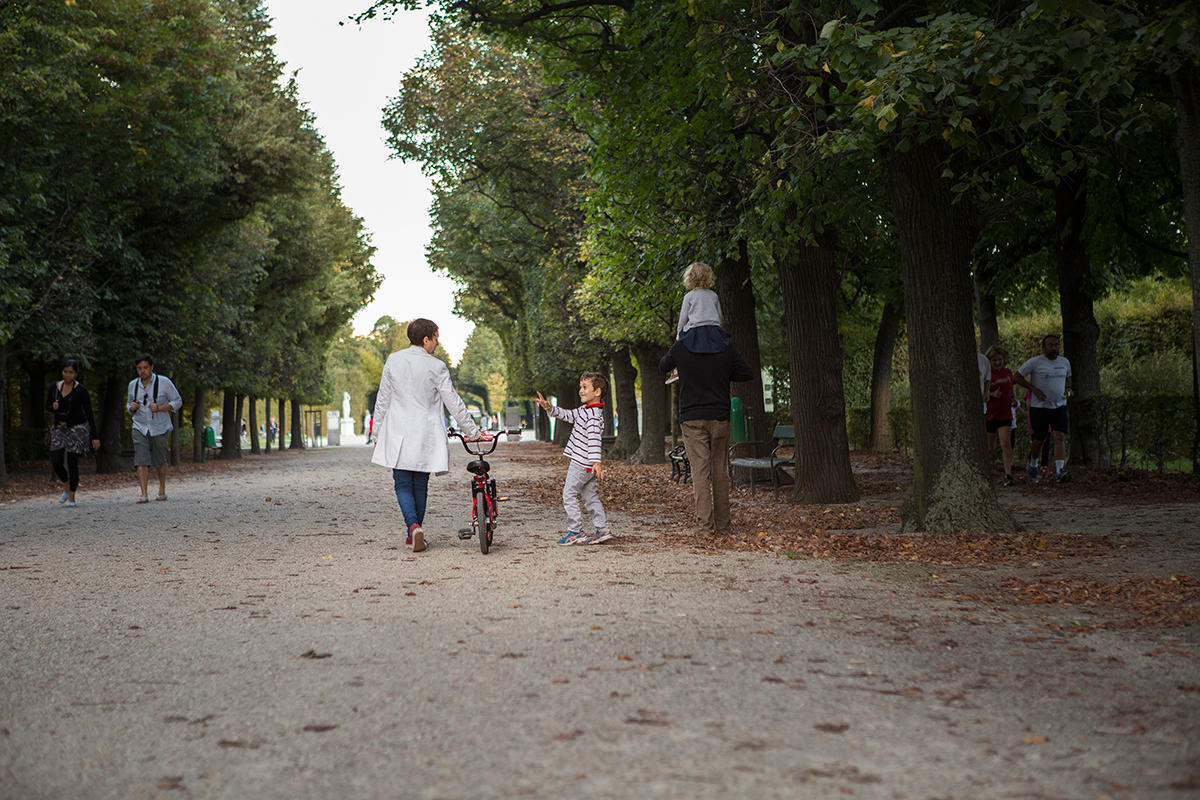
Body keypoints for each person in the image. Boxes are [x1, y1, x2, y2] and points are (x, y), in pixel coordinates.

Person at [370, 318, 490, 553]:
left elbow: (383, 398)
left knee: (402, 483)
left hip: (398, 430)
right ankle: (416, 530)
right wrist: (472, 431)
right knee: (420, 485)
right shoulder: (437, 367)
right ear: (426, 339)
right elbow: (453, 402)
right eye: (436, 337)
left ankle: (413, 528)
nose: (437, 343)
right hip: (424, 432)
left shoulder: (393, 361)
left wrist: (376, 431)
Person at [659, 339, 754, 536]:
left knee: (699, 471)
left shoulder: (681, 346)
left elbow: (663, 365)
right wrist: (722, 373)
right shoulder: (724, 344)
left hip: (692, 416)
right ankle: (724, 525)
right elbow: (746, 372)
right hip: (719, 415)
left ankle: (705, 527)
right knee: (719, 470)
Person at [534, 373, 611, 546]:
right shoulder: (587, 410)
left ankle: (576, 531)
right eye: (580, 387)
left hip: (582, 463)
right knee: (590, 497)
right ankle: (602, 529)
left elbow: (594, 439)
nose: (580, 391)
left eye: (585, 387)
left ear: (597, 391)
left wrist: (596, 462)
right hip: (587, 464)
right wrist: (549, 407)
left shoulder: (592, 415)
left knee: (568, 494)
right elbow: (567, 415)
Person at [127, 353, 183, 503]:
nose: (142, 371)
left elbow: (177, 401)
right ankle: (144, 493)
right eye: (139, 368)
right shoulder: (133, 385)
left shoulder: (164, 382)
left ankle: (162, 488)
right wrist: (131, 407)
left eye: (145, 367)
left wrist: (161, 407)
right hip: (139, 426)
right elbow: (128, 404)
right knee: (141, 460)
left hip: (160, 427)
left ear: (151, 367)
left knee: (159, 460)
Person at [1018, 334, 1073, 484]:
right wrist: (1033, 389)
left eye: (1056, 345)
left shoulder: (1064, 362)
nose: (1054, 348)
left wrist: (1068, 389)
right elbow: (1017, 377)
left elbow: (1068, 377)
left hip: (1059, 405)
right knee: (1039, 440)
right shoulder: (1035, 362)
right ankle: (1033, 465)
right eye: (1050, 345)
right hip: (1039, 407)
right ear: (1044, 347)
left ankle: (1059, 470)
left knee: (1059, 436)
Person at [46, 359, 101, 507]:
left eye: (71, 372)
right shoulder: (54, 388)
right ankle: (66, 484)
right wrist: (53, 407)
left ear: (76, 373)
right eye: (65, 372)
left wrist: (94, 436)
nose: (68, 375)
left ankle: (72, 496)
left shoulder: (81, 391)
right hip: (59, 426)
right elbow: (47, 406)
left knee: (72, 461)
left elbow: (89, 413)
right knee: (56, 460)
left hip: (77, 427)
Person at [666, 262, 731, 384]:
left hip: (695, 329)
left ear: (689, 277)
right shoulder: (714, 296)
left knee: (680, 347)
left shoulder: (689, 296)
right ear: (708, 277)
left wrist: (679, 333)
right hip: (714, 329)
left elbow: (683, 318)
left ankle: (676, 370)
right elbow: (720, 317)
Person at [984, 346, 1038, 487]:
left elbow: (1010, 388)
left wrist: (1013, 399)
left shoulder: (1008, 373)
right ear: (989, 361)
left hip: (1005, 413)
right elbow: (980, 393)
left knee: (1006, 444)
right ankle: (984, 472)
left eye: (1000, 360)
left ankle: (1008, 474)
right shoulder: (986, 375)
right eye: (994, 360)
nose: (997, 363)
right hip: (989, 413)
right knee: (990, 447)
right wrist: (991, 395)